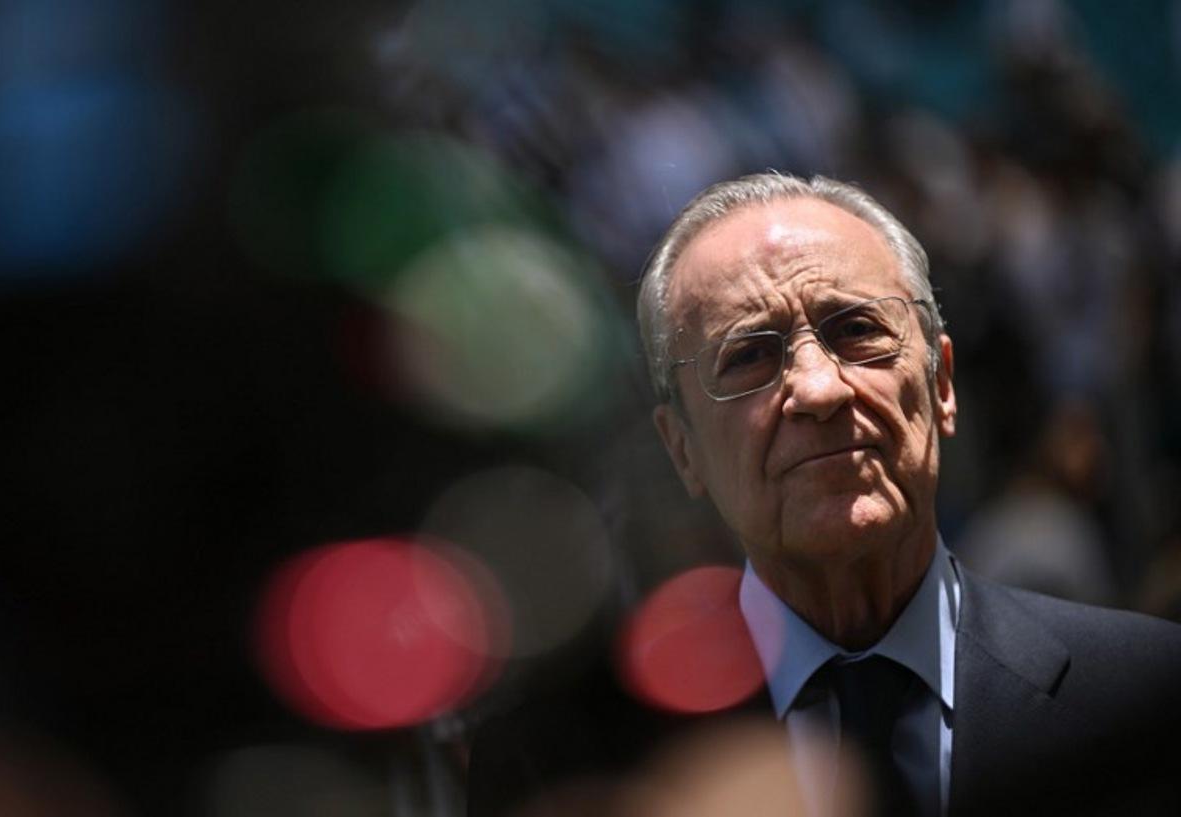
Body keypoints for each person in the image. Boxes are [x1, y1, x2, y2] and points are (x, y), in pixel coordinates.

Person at [468, 173, 1181, 817]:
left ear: (941, 383)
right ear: (680, 446)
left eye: (859, 330)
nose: (818, 387)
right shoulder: (568, 766)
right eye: (748, 355)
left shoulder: (1149, 693)